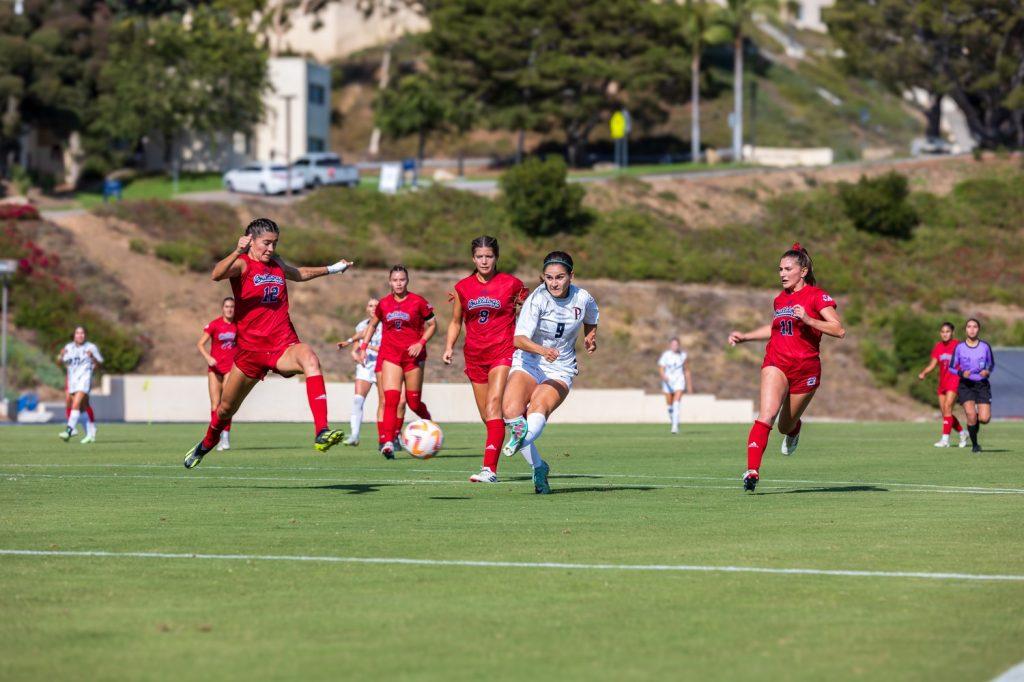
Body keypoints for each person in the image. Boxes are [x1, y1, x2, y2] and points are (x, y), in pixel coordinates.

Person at [183, 218, 353, 469]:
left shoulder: (276, 263)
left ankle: (321, 431)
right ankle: (206, 444)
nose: (271, 249)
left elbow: (299, 274)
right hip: (249, 353)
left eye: (275, 243)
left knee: (310, 359)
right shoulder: (241, 264)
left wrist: (333, 268)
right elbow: (216, 274)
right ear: (250, 240)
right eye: (266, 243)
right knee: (224, 410)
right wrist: (237, 250)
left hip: (282, 345)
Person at [727, 243, 845, 492]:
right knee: (766, 415)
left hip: (806, 369)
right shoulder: (780, 300)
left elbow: (839, 329)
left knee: (784, 426)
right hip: (776, 362)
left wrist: (809, 319)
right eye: (779, 269)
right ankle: (752, 471)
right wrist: (746, 336)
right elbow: (774, 329)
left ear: (802, 271)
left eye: (787, 268)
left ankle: (795, 428)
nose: (782, 274)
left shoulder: (816, 296)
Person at [501, 251, 599, 494]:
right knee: (511, 412)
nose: (554, 283)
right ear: (542, 277)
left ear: (571, 276)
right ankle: (539, 466)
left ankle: (519, 439)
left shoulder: (583, 298)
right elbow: (519, 339)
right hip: (530, 360)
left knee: (537, 409)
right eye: (549, 278)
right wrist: (542, 350)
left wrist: (590, 336)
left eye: (560, 277)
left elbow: (592, 317)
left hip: (561, 367)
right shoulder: (537, 299)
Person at [443, 236, 529, 483]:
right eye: (480, 256)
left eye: (489, 256)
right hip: (474, 355)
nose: (484, 261)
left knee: (493, 405)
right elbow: (456, 321)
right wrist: (449, 346)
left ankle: (488, 469)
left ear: (496, 257)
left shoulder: (512, 283)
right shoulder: (462, 287)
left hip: (502, 352)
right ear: (473, 258)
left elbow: (532, 306)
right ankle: (520, 423)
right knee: (489, 417)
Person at [357, 265, 436, 460]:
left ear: (407, 281)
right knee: (390, 399)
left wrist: (421, 342)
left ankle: (429, 423)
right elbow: (373, 325)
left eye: (402, 280)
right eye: (395, 280)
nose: (398, 283)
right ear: (389, 281)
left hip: (413, 358)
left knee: (413, 402)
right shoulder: (384, 304)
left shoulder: (418, 302)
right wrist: (364, 347)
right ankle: (388, 442)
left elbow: (433, 325)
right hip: (391, 356)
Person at [336, 298, 407, 448]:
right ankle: (354, 435)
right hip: (366, 366)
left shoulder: (388, 323)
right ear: (366, 309)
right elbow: (358, 344)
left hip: (385, 365)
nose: (373, 308)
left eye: (376, 305)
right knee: (357, 400)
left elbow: (382, 347)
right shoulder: (361, 325)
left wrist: (365, 347)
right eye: (370, 305)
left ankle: (392, 435)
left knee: (386, 402)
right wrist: (355, 354)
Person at [917, 321, 968, 448]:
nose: (945, 334)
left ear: (952, 333)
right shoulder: (938, 347)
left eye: (948, 331)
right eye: (943, 332)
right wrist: (923, 373)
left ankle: (945, 440)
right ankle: (962, 433)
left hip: (955, 380)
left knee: (947, 406)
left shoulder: (958, 345)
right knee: (946, 411)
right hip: (943, 382)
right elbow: (932, 364)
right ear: (940, 333)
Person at [197, 297, 238, 451]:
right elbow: (200, 344)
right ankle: (216, 436)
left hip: (230, 369)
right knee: (215, 405)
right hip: (214, 370)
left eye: (232, 307)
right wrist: (208, 357)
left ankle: (225, 437)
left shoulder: (239, 325)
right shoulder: (215, 325)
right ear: (222, 308)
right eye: (227, 306)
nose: (229, 309)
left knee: (226, 405)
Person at [949, 318, 994, 453]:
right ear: (966, 329)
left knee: (984, 418)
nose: (972, 329)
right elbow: (951, 367)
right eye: (969, 326)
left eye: (975, 326)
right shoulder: (959, 347)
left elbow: (991, 364)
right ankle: (975, 445)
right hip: (966, 385)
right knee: (970, 415)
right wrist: (962, 373)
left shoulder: (985, 346)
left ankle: (974, 425)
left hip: (981, 385)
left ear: (978, 329)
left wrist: (987, 371)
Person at [57, 326, 103, 443]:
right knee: (82, 408)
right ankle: (90, 433)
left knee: (76, 403)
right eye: (78, 333)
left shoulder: (91, 347)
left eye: (82, 333)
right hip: (73, 381)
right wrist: (61, 355)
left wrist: (92, 357)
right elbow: (59, 363)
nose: (80, 335)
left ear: (85, 335)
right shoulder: (69, 347)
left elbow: (99, 364)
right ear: (74, 335)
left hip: (85, 379)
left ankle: (69, 430)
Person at [658, 337, 692, 434]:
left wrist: (689, 385)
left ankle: (675, 427)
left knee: (676, 403)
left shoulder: (683, 356)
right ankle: (674, 421)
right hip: (668, 382)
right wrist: (664, 376)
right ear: (670, 346)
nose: (674, 346)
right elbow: (661, 368)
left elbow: (687, 370)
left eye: (676, 345)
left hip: (679, 381)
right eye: (673, 345)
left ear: (679, 345)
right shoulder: (666, 355)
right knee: (670, 407)